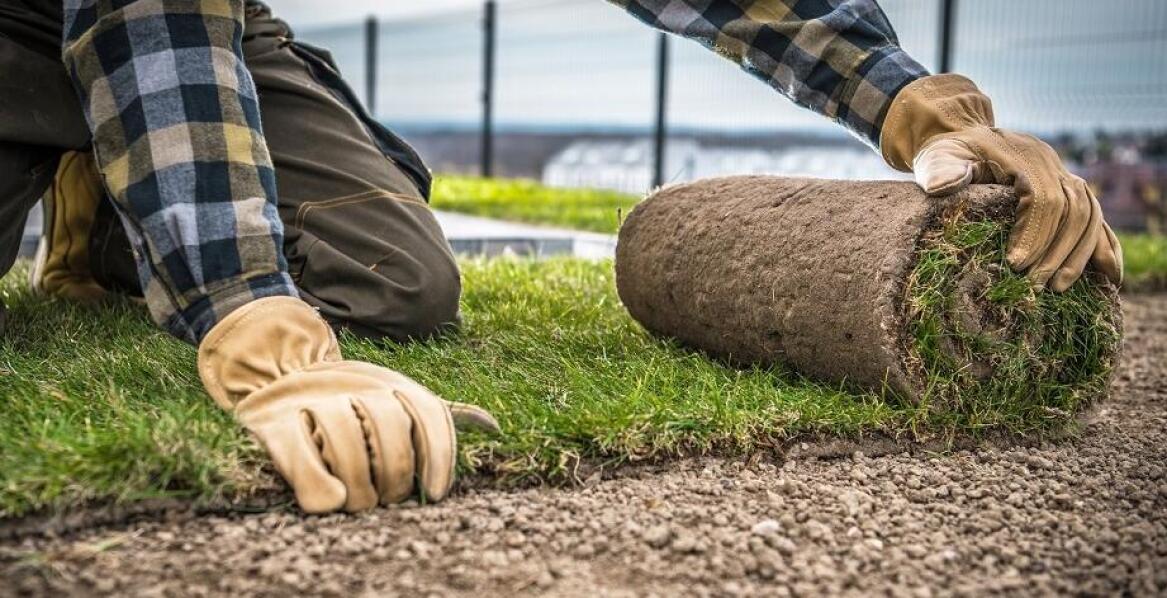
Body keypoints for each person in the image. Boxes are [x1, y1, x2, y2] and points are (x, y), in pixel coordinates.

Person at [0, 0, 1123, 514]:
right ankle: (94, 161)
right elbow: (139, 19)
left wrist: (915, 103)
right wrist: (247, 310)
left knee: (400, 282)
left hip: (223, 22)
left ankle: (104, 204)